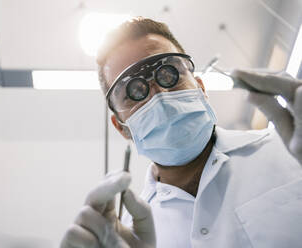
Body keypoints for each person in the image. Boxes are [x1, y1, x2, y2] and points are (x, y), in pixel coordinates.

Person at [60, 17, 302, 248]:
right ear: (122, 128)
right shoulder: (131, 234)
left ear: (201, 87)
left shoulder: (286, 151)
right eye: (133, 90)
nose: (159, 96)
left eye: (168, 74)